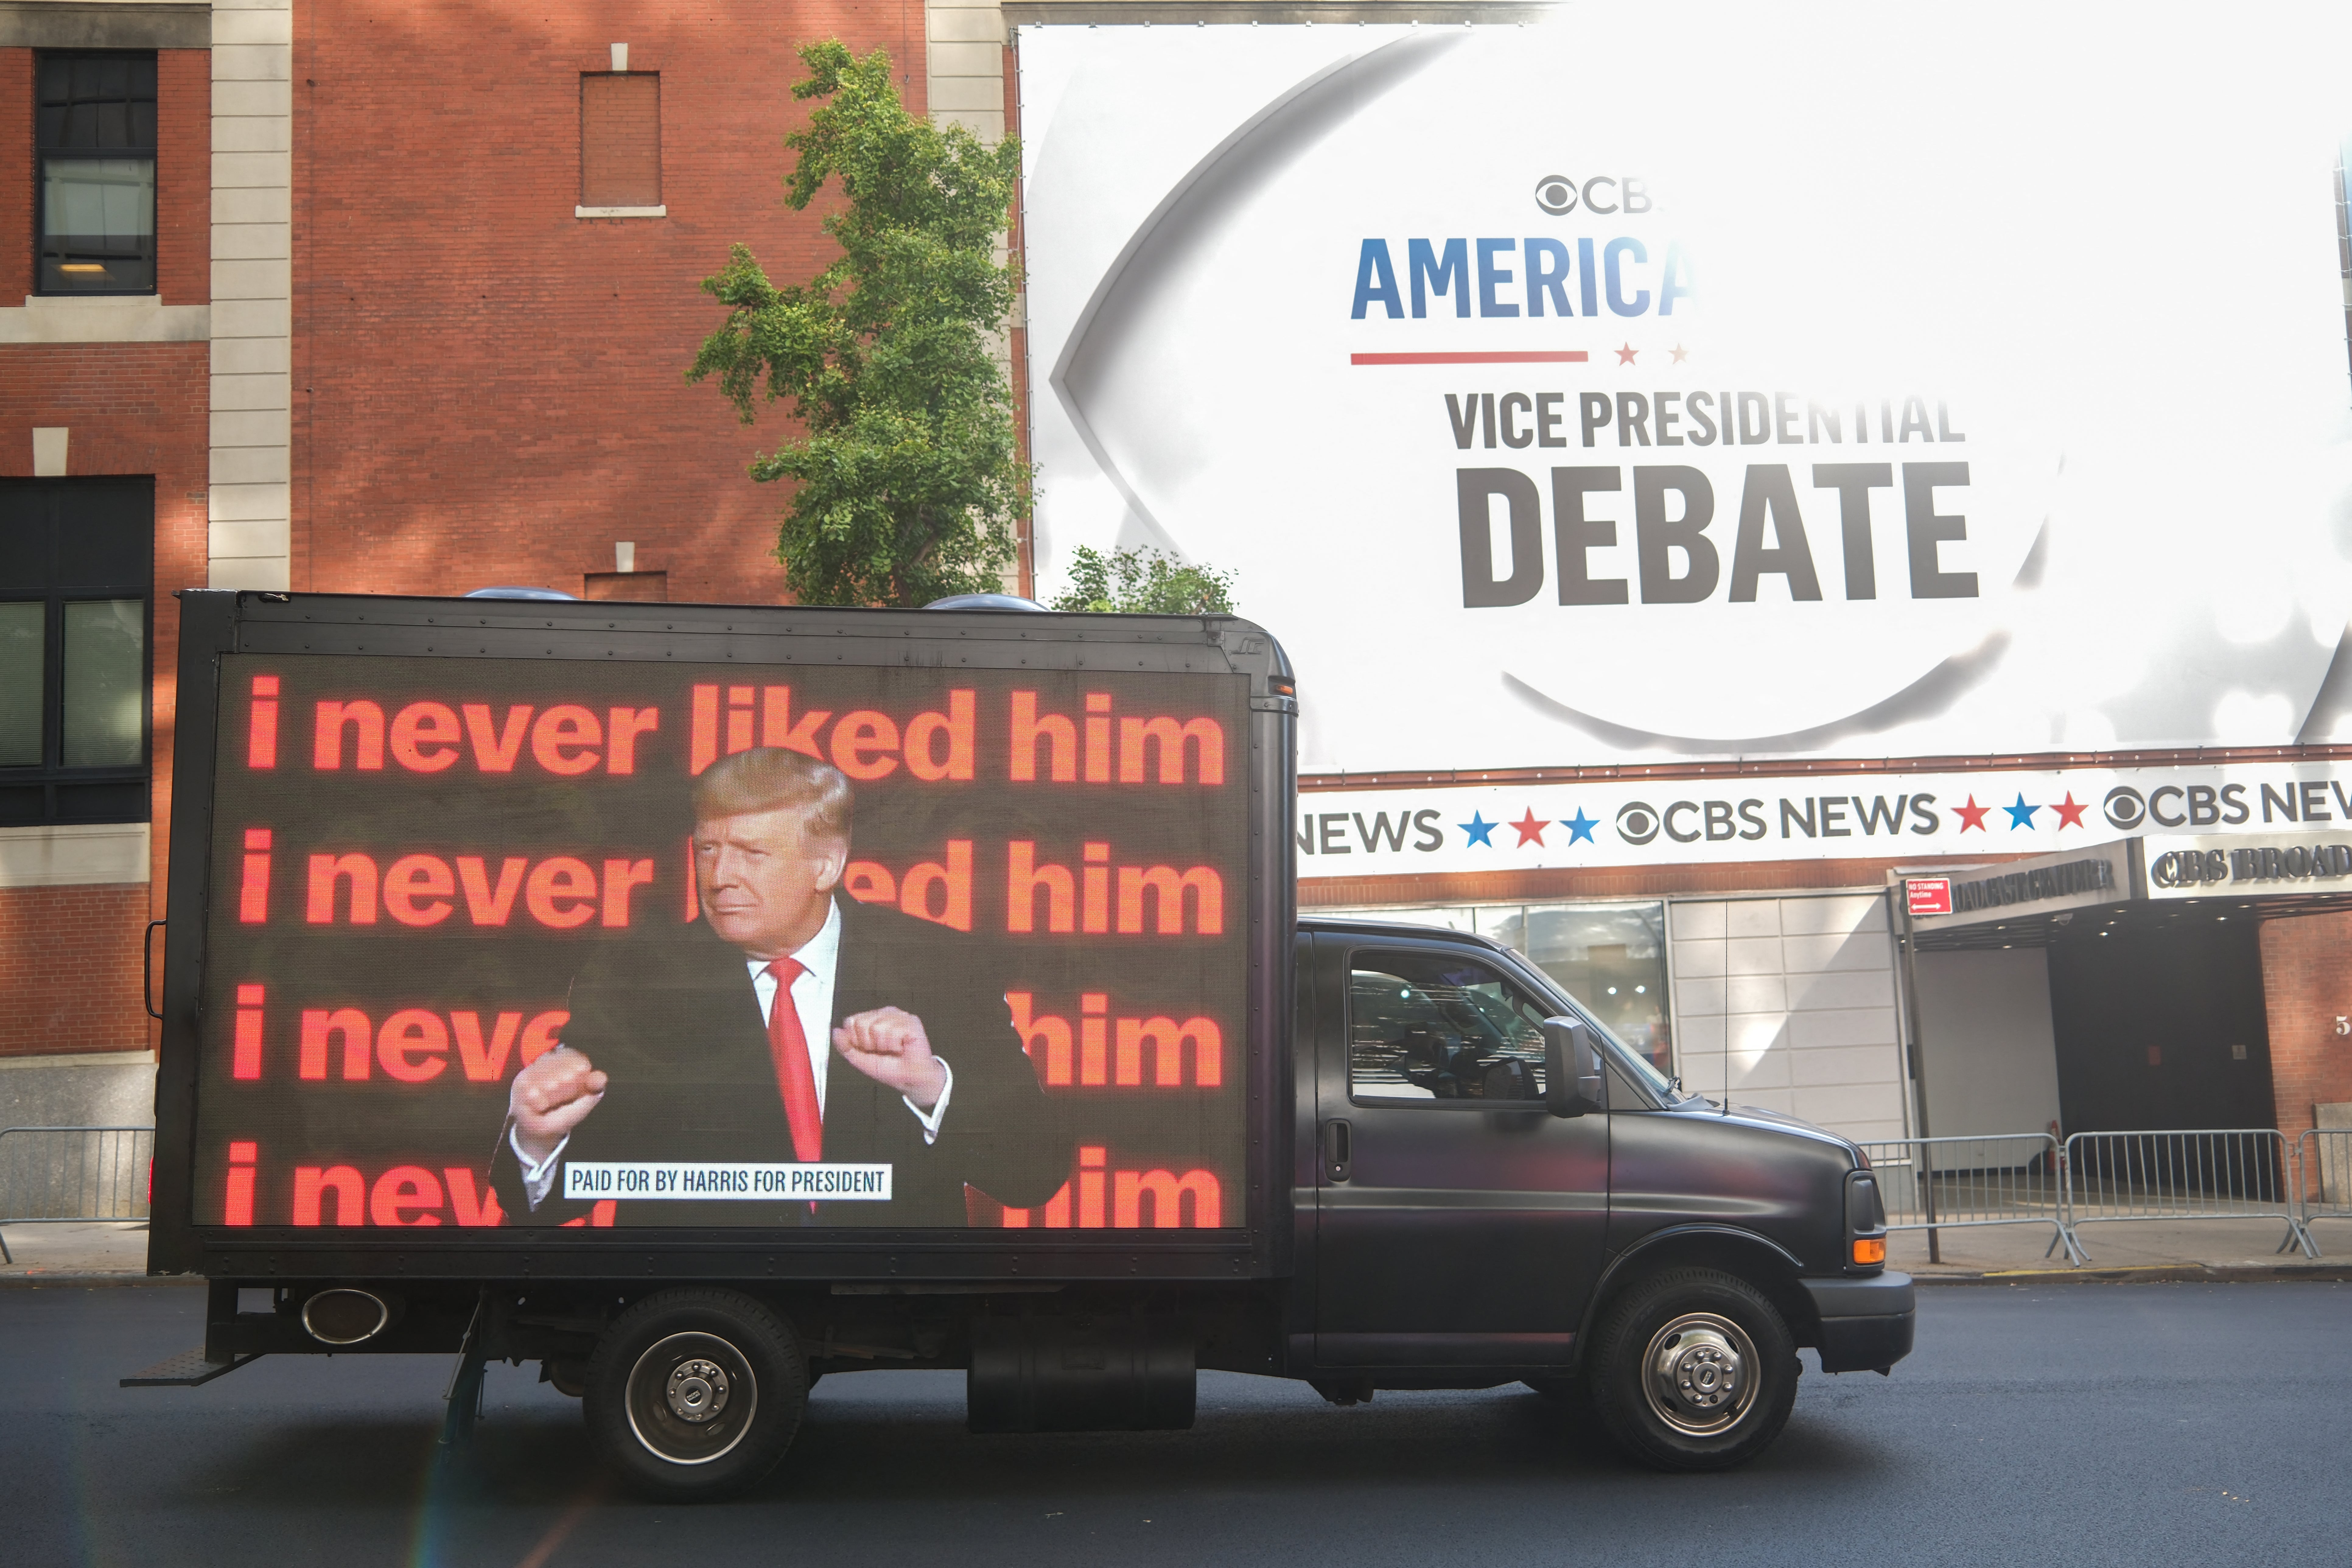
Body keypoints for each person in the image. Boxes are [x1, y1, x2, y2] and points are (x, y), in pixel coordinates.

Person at [493, 747, 1069, 1226]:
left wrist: (932, 1086)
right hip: (703, 1317)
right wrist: (537, 1141)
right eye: (708, 851)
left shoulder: (941, 966)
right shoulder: (634, 979)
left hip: (897, 1323)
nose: (719, 879)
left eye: (752, 854)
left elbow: (1033, 1176)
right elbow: (545, 1204)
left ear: (826, 866)